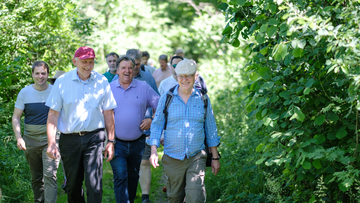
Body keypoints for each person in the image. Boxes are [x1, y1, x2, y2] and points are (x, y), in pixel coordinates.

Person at [45, 46, 117, 203]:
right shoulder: (62, 82)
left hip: (94, 138)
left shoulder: (101, 81)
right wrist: (51, 143)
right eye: (85, 61)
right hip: (69, 140)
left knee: (94, 185)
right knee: (73, 186)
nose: (88, 65)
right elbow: (53, 114)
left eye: (91, 62)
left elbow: (108, 113)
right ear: (74, 61)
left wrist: (110, 141)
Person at [148, 59, 221, 203]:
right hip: (173, 157)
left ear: (195, 76)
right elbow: (156, 125)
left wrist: (215, 157)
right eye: (181, 76)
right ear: (176, 77)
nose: (185, 79)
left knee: (195, 197)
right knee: (175, 198)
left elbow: (211, 128)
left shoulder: (203, 98)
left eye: (189, 75)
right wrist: (153, 150)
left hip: (196, 156)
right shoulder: (167, 98)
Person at [110, 55, 160, 203]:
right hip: (116, 142)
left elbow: (161, 106)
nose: (127, 71)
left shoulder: (143, 87)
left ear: (134, 70)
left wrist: (151, 120)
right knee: (120, 176)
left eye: (130, 68)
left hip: (137, 142)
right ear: (117, 70)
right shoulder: (109, 88)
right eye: (124, 68)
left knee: (132, 177)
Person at [12, 61, 60, 203]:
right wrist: (19, 137)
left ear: (47, 74)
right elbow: (16, 117)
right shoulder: (25, 92)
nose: (40, 76)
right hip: (30, 141)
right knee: (37, 178)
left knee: (50, 175)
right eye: (37, 73)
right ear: (32, 74)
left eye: (43, 73)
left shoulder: (55, 91)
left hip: (50, 140)